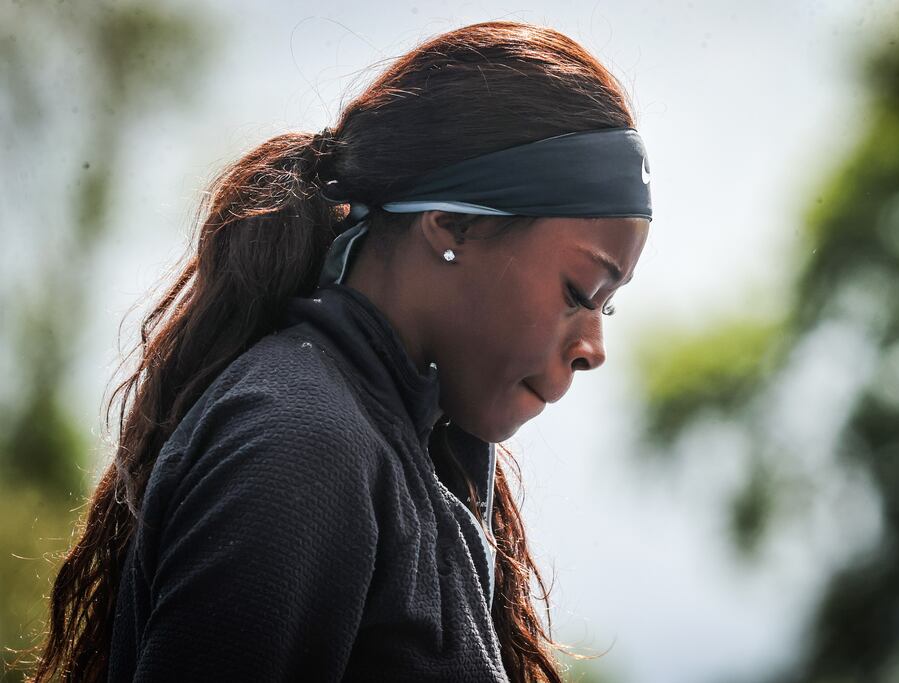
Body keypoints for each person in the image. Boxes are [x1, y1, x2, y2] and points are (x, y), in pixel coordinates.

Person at [32, 20, 652, 683]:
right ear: (450, 226)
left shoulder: (409, 455)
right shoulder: (302, 444)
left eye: (606, 307)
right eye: (579, 290)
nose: (594, 348)